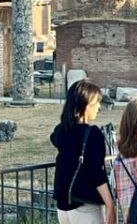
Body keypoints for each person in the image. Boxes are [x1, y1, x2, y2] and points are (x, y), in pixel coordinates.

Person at [51, 80, 116, 224]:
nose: (98, 107)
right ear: (84, 105)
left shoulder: (60, 131)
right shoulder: (92, 134)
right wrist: (110, 204)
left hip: (63, 207)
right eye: (95, 103)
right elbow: (98, 175)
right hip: (85, 206)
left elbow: (54, 139)